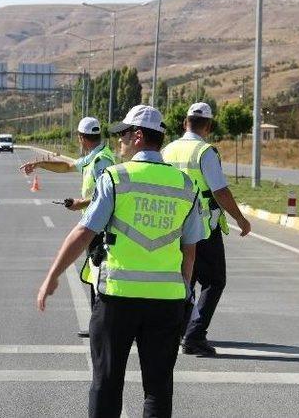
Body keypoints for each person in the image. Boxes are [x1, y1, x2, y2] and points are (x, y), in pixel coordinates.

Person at [37, 105, 204, 417]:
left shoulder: (116, 177)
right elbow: (190, 250)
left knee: (107, 382)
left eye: (123, 137)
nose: (119, 144)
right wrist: (183, 292)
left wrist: (53, 275)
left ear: (138, 136)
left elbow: (84, 232)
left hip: (118, 299)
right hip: (166, 302)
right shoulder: (185, 185)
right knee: (158, 387)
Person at [162, 102, 251, 357]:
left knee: (183, 278)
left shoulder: (168, 150)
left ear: (184, 122)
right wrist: (241, 220)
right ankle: (195, 335)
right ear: (209, 126)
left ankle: (177, 329)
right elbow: (219, 191)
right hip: (202, 227)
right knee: (213, 282)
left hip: (172, 224)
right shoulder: (205, 152)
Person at [21, 117, 116, 338]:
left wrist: (78, 204)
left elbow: (104, 197)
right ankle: (97, 326)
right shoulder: (94, 157)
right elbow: (67, 166)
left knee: (99, 276)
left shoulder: (102, 161)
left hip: (99, 226)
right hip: (95, 222)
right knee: (95, 276)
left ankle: (101, 327)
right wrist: (39, 164)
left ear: (81, 138)